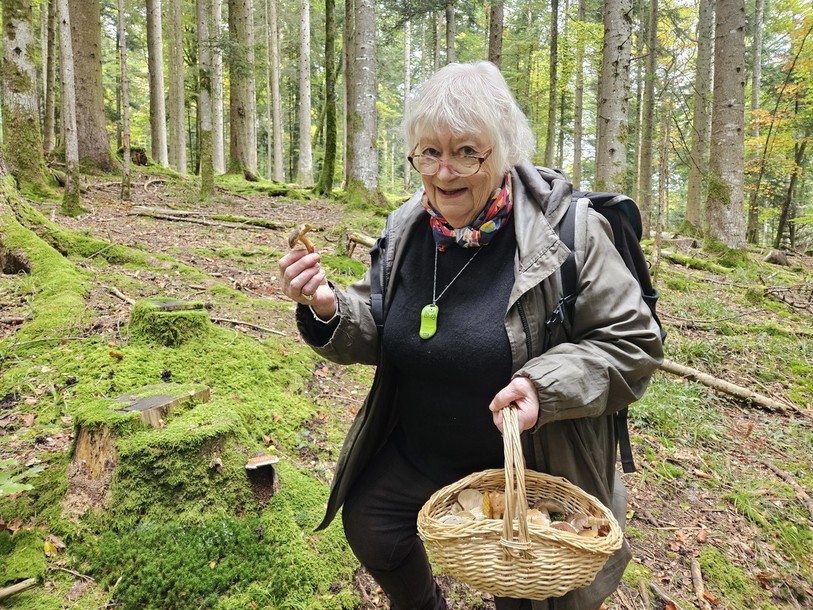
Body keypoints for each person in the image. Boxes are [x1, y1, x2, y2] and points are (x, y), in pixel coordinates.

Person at [279, 61, 664, 610]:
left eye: (467, 151)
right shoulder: (405, 227)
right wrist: (325, 305)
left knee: (526, 596)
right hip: (421, 450)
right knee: (371, 521)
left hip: (527, 465)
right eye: (429, 152)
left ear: (503, 151)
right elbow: (381, 319)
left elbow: (632, 341)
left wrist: (541, 386)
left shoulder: (568, 232)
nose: (444, 171)